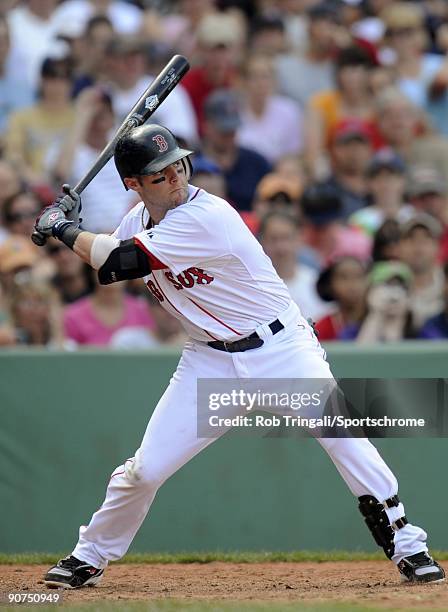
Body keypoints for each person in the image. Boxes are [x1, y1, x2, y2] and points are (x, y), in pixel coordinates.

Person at [34, 123, 444, 588]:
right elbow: (111, 261)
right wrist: (73, 229)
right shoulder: (134, 224)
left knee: (344, 435)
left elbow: (117, 261)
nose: (174, 176)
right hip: (208, 361)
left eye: (176, 164)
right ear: (133, 184)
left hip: (280, 349)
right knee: (144, 470)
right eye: (158, 173)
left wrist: (63, 228)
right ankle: (88, 556)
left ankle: (409, 546)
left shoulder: (210, 216)